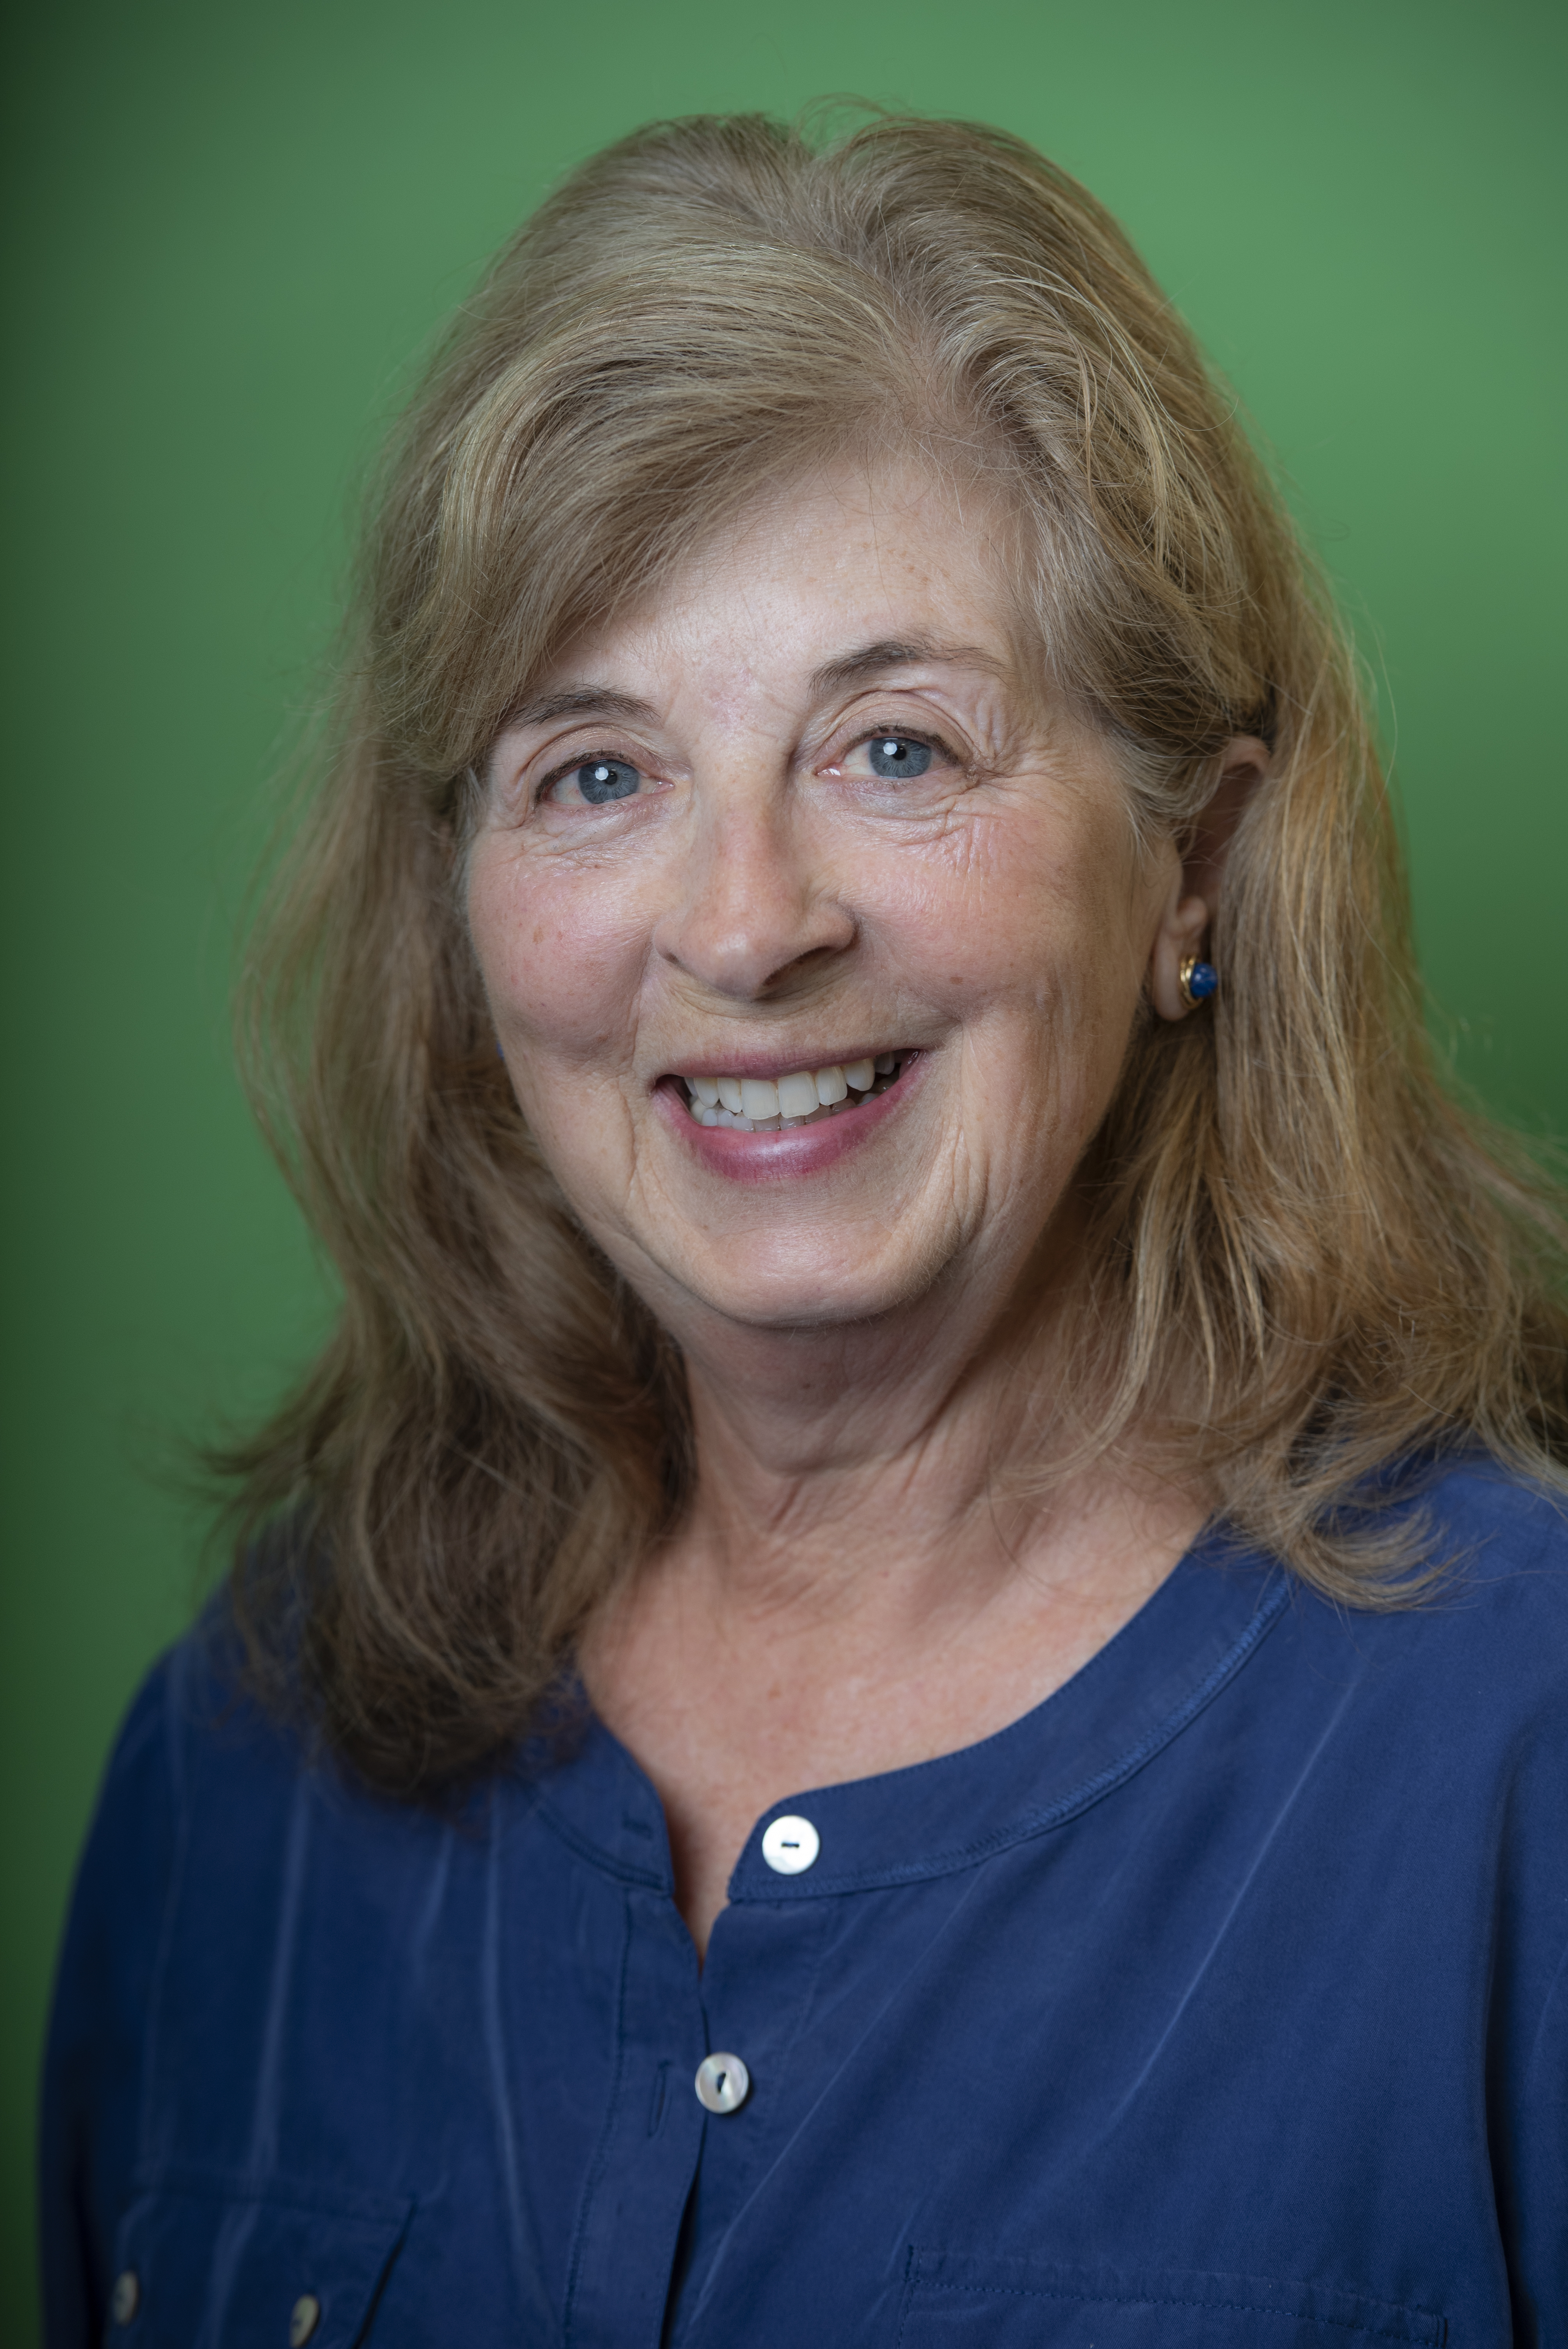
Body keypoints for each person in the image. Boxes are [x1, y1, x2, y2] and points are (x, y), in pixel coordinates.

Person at [40, 110, 1568, 2346]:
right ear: (461, 912)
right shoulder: (240, 1766)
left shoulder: (1522, 1753)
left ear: (1197, 868)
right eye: (598, 773)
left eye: (898, 749)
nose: (746, 928)